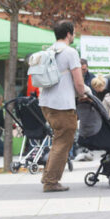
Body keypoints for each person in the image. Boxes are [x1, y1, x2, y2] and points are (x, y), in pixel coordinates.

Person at [38, 20, 86, 192]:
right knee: (63, 142)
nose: (74, 35)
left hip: (46, 103)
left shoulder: (49, 50)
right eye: (73, 32)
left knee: (58, 140)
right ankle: (51, 182)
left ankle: (48, 177)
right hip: (62, 105)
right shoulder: (70, 52)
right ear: (68, 34)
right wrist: (83, 94)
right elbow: (78, 82)